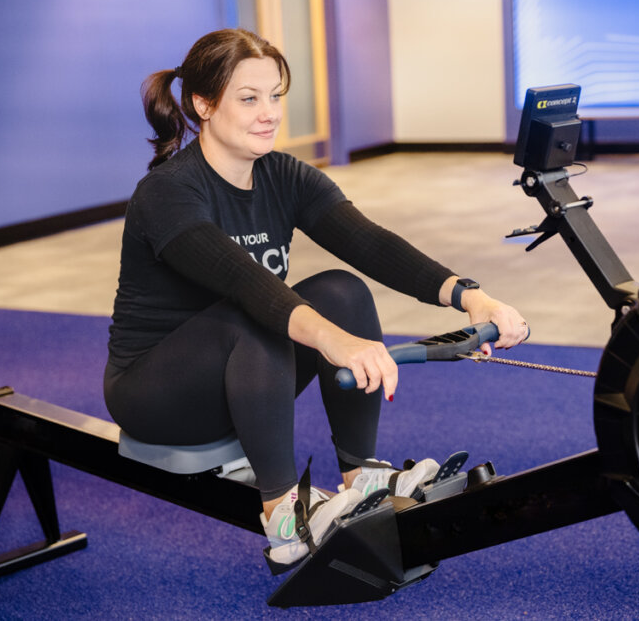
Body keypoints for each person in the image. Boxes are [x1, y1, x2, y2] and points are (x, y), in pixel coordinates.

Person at [104, 28, 528, 571]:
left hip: (242, 380)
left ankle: (361, 471)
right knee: (256, 313)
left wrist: (470, 296)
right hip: (155, 393)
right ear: (203, 105)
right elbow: (245, 283)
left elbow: (370, 243)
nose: (270, 113)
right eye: (249, 98)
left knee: (340, 289)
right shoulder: (168, 192)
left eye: (276, 96)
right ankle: (283, 510)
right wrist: (338, 343)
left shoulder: (283, 175)